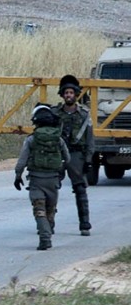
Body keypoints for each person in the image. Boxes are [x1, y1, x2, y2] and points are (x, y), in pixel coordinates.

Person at [14, 105, 70, 251]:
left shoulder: (31, 139)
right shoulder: (59, 139)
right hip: (53, 180)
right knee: (50, 209)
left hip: (36, 180)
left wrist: (18, 176)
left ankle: (45, 238)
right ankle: (49, 229)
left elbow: (22, 161)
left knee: (39, 210)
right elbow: (68, 158)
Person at [52, 74, 94, 236]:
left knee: (80, 189)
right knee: (52, 187)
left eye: (71, 93)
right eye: (66, 93)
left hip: (77, 154)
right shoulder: (55, 113)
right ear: (62, 95)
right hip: (58, 154)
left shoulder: (84, 115)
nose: (68, 95)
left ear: (76, 95)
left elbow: (90, 139)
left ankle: (84, 223)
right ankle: (49, 222)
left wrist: (89, 160)